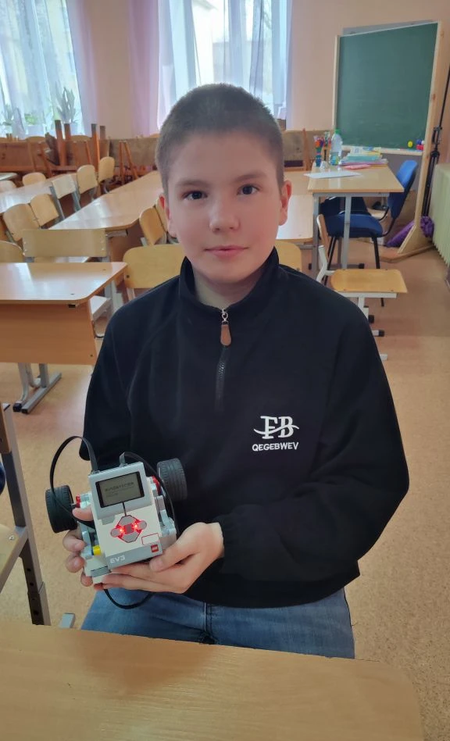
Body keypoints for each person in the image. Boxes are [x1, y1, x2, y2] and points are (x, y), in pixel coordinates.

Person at [63, 84, 409, 658]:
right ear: (168, 211)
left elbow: (366, 486)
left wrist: (228, 540)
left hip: (292, 590)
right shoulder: (130, 333)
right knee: (83, 710)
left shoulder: (337, 330)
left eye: (247, 189)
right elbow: (111, 463)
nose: (222, 219)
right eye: (195, 194)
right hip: (151, 585)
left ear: (283, 200)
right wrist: (101, 527)